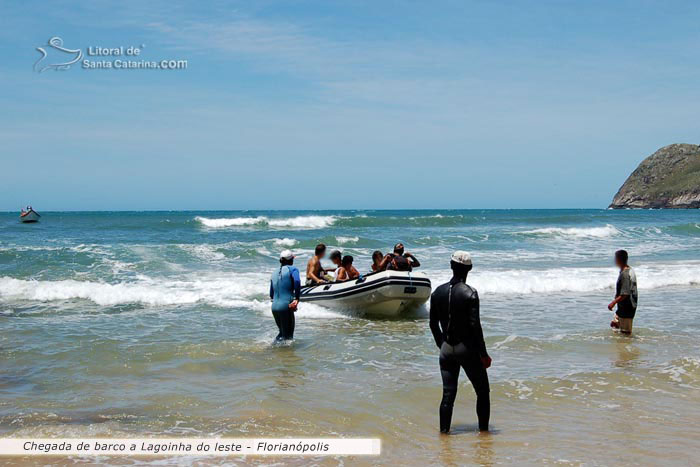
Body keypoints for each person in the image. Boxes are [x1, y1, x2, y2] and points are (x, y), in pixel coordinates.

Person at [429, 251, 491, 433]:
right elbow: (475, 327)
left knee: (448, 395)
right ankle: (484, 434)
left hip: (447, 349)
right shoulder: (470, 293)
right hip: (467, 348)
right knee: (482, 392)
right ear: (470, 268)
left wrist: (441, 344)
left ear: (451, 265)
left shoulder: (437, 292)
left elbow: (432, 323)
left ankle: (444, 435)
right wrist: (484, 354)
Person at [270, 250, 301, 342]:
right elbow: (297, 281)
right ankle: (285, 355)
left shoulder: (274, 272)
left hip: (274, 307)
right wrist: (297, 298)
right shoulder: (293, 269)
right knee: (288, 337)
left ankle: (273, 349)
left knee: (282, 333)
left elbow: (271, 293)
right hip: (286, 306)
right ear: (291, 260)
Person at [608, 249, 638, 334]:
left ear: (618, 259)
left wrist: (613, 303)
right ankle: (619, 345)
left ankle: (627, 346)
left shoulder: (625, 274)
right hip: (622, 308)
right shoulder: (628, 270)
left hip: (627, 308)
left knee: (626, 333)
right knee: (614, 325)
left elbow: (625, 294)